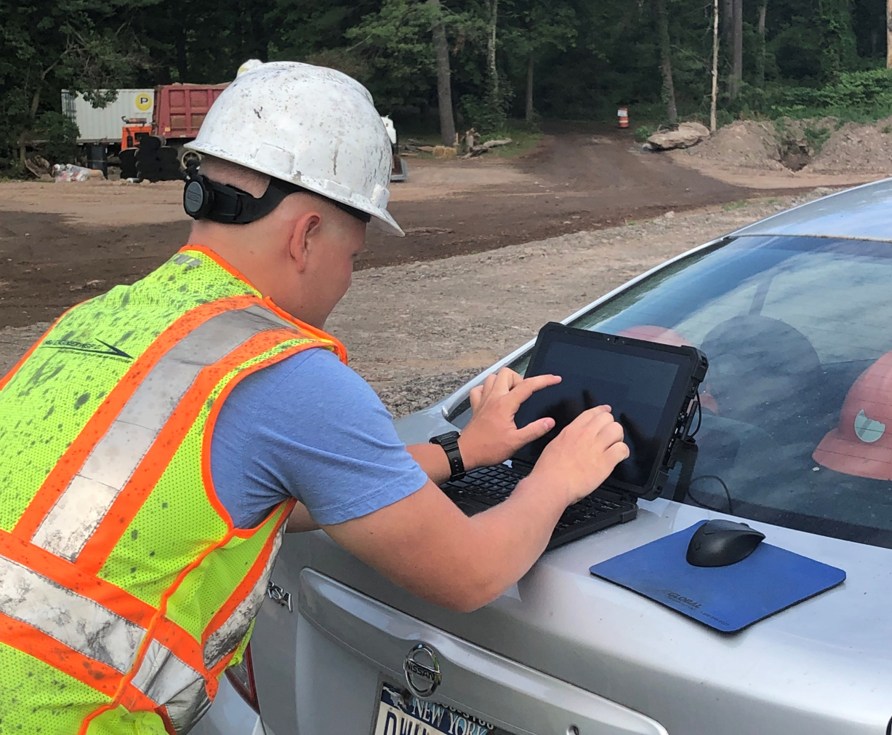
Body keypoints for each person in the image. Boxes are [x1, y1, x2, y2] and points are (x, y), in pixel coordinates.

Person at [0, 61, 628, 734]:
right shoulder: (284, 372)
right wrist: (557, 479)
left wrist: (461, 451)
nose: (347, 279)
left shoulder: (99, 322)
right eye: (353, 256)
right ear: (305, 236)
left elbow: (247, 494)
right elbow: (471, 574)